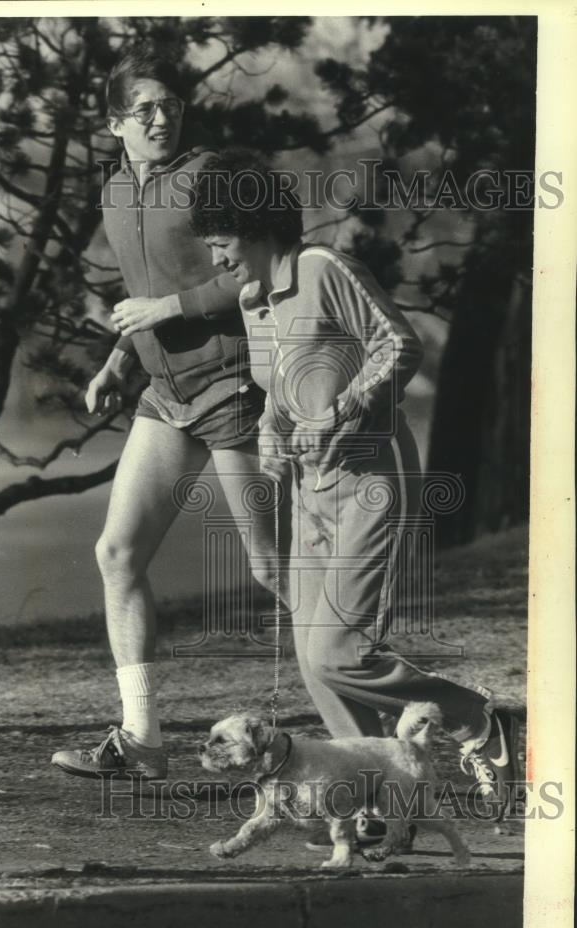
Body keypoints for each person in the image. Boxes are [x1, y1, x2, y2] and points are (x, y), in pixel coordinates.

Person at [189, 147, 520, 810]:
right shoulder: (256, 302)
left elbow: (399, 344)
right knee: (315, 665)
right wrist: (271, 439)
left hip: (372, 482)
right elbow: (274, 401)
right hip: (310, 494)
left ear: (254, 230)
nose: (217, 260)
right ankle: (373, 800)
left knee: (338, 653)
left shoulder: (321, 268)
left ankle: (475, 721)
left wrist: (342, 408)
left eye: (221, 243)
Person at [52, 52, 287, 782]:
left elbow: (262, 265)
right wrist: (120, 361)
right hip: (163, 393)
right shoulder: (115, 190)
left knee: (272, 566)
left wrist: (170, 310)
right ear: (114, 121)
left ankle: (391, 720)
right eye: (145, 107)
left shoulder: (209, 172)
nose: (162, 117)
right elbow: (141, 290)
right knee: (116, 555)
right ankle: (142, 740)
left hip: (231, 389)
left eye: (171, 105)